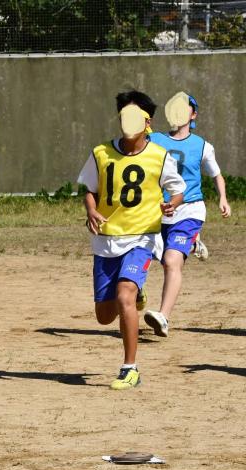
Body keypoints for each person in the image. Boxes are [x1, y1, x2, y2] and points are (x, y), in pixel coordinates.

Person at [76, 90, 185, 390]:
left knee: (124, 295)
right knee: (103, 316)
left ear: (148, 123)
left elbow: (178, 190)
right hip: (107, 240)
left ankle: (130, 368)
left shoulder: (160, 156)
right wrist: (91, 210)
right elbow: (90, 189)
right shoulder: (101, 153)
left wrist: (172, 204)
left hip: (142, 238)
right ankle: (136, 294)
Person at [144, 93, 230, 337]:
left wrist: (223, 198)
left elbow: (216, 175)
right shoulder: (154, 139)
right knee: (144, 254)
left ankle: (163, 317)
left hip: (189, 210)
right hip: (157, 211)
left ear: (193, 115)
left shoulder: (202, 146)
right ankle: (192, 244)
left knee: (171, 261)